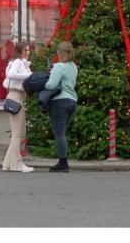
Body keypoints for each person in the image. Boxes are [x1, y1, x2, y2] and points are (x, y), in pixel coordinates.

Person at [46, 41, 78, 172]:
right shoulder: (74, 67)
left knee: (59, 133)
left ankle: (63, 163)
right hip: (72, 101)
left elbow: (50, 85)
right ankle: (62, 161)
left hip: (60, 101)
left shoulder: (59, 66)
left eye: (58, 51)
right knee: (62, 133)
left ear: (61, 53)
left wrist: (48, 77)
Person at [2, 41, 34, 172]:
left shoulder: (20, 63)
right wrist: (29, 75)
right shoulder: (17, 62)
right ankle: (16, 164)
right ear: (19, 51)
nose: (28, 52)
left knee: (18, 133)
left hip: (17, 97)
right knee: (18, 133)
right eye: (25, 50)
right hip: (16, 97)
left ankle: (7, 163)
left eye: (28, 50)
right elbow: (10, 75)